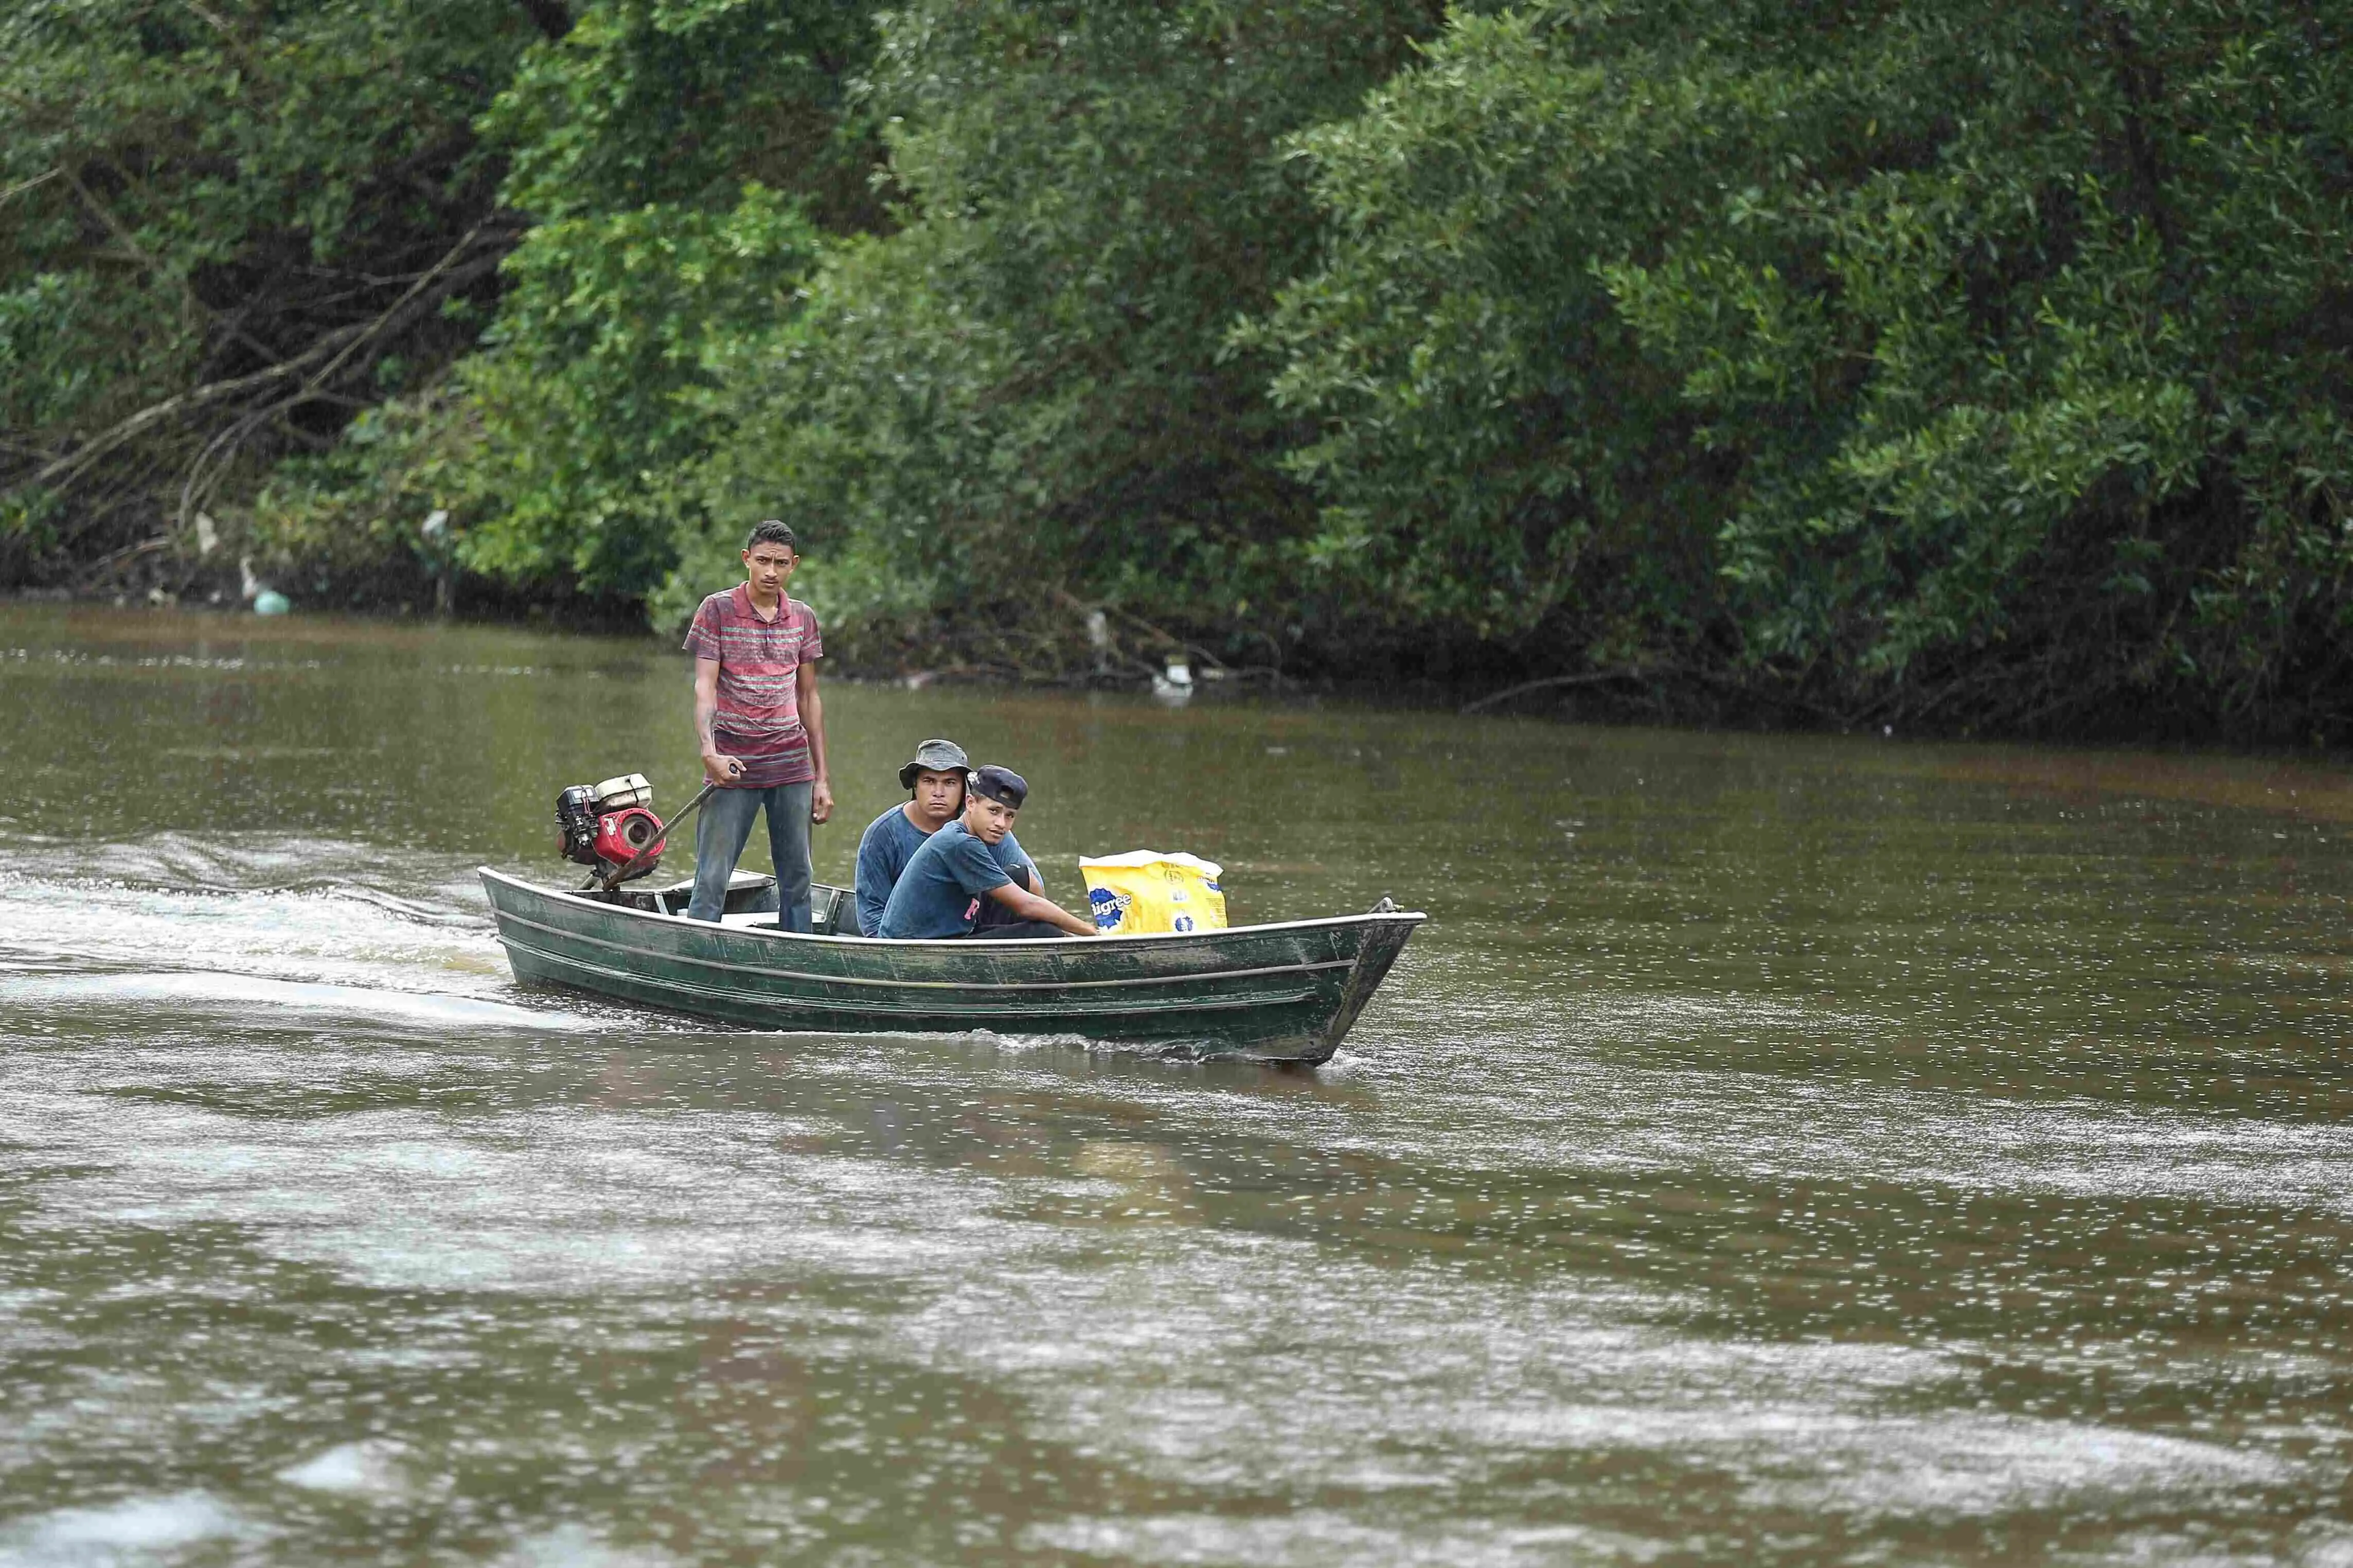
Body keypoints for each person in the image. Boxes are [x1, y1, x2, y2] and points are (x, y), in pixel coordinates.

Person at [682, 520, 832, 929]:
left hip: (790, 762)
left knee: (798, 878)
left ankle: (797, 962)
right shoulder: (717, 609)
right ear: (746, 559)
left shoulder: (802, 617)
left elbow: (808, 697)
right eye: (763, 560)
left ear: (794, 565)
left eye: (780, 563)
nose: (771, 571)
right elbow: (704, 687)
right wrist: (709, 753)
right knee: (713, 877)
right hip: (732, 760)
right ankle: (698, 963)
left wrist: (821, 778)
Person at [878, 766, 1097, 939]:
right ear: (971, 803)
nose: (1001, 823)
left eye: (1009, 816)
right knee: (1045, 934)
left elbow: (1030, 886)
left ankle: (1061, 942)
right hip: (918, 945)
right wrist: (1091, 933)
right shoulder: (959, 843)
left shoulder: (970, 834)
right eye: (994, 811)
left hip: (955, 927)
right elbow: (1026, 905)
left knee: (1021, 876)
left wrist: (1066, 933)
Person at [853, 737, 1043, 938]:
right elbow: (872, 918)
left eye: (950, 783)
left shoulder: (989, 826)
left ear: (965, 792)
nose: (938, 792)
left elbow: (1031, 883)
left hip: (971, 925)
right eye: (929, 781)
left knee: (1021, 882)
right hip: (913, 939)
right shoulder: (883, 834)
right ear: (915, 786)